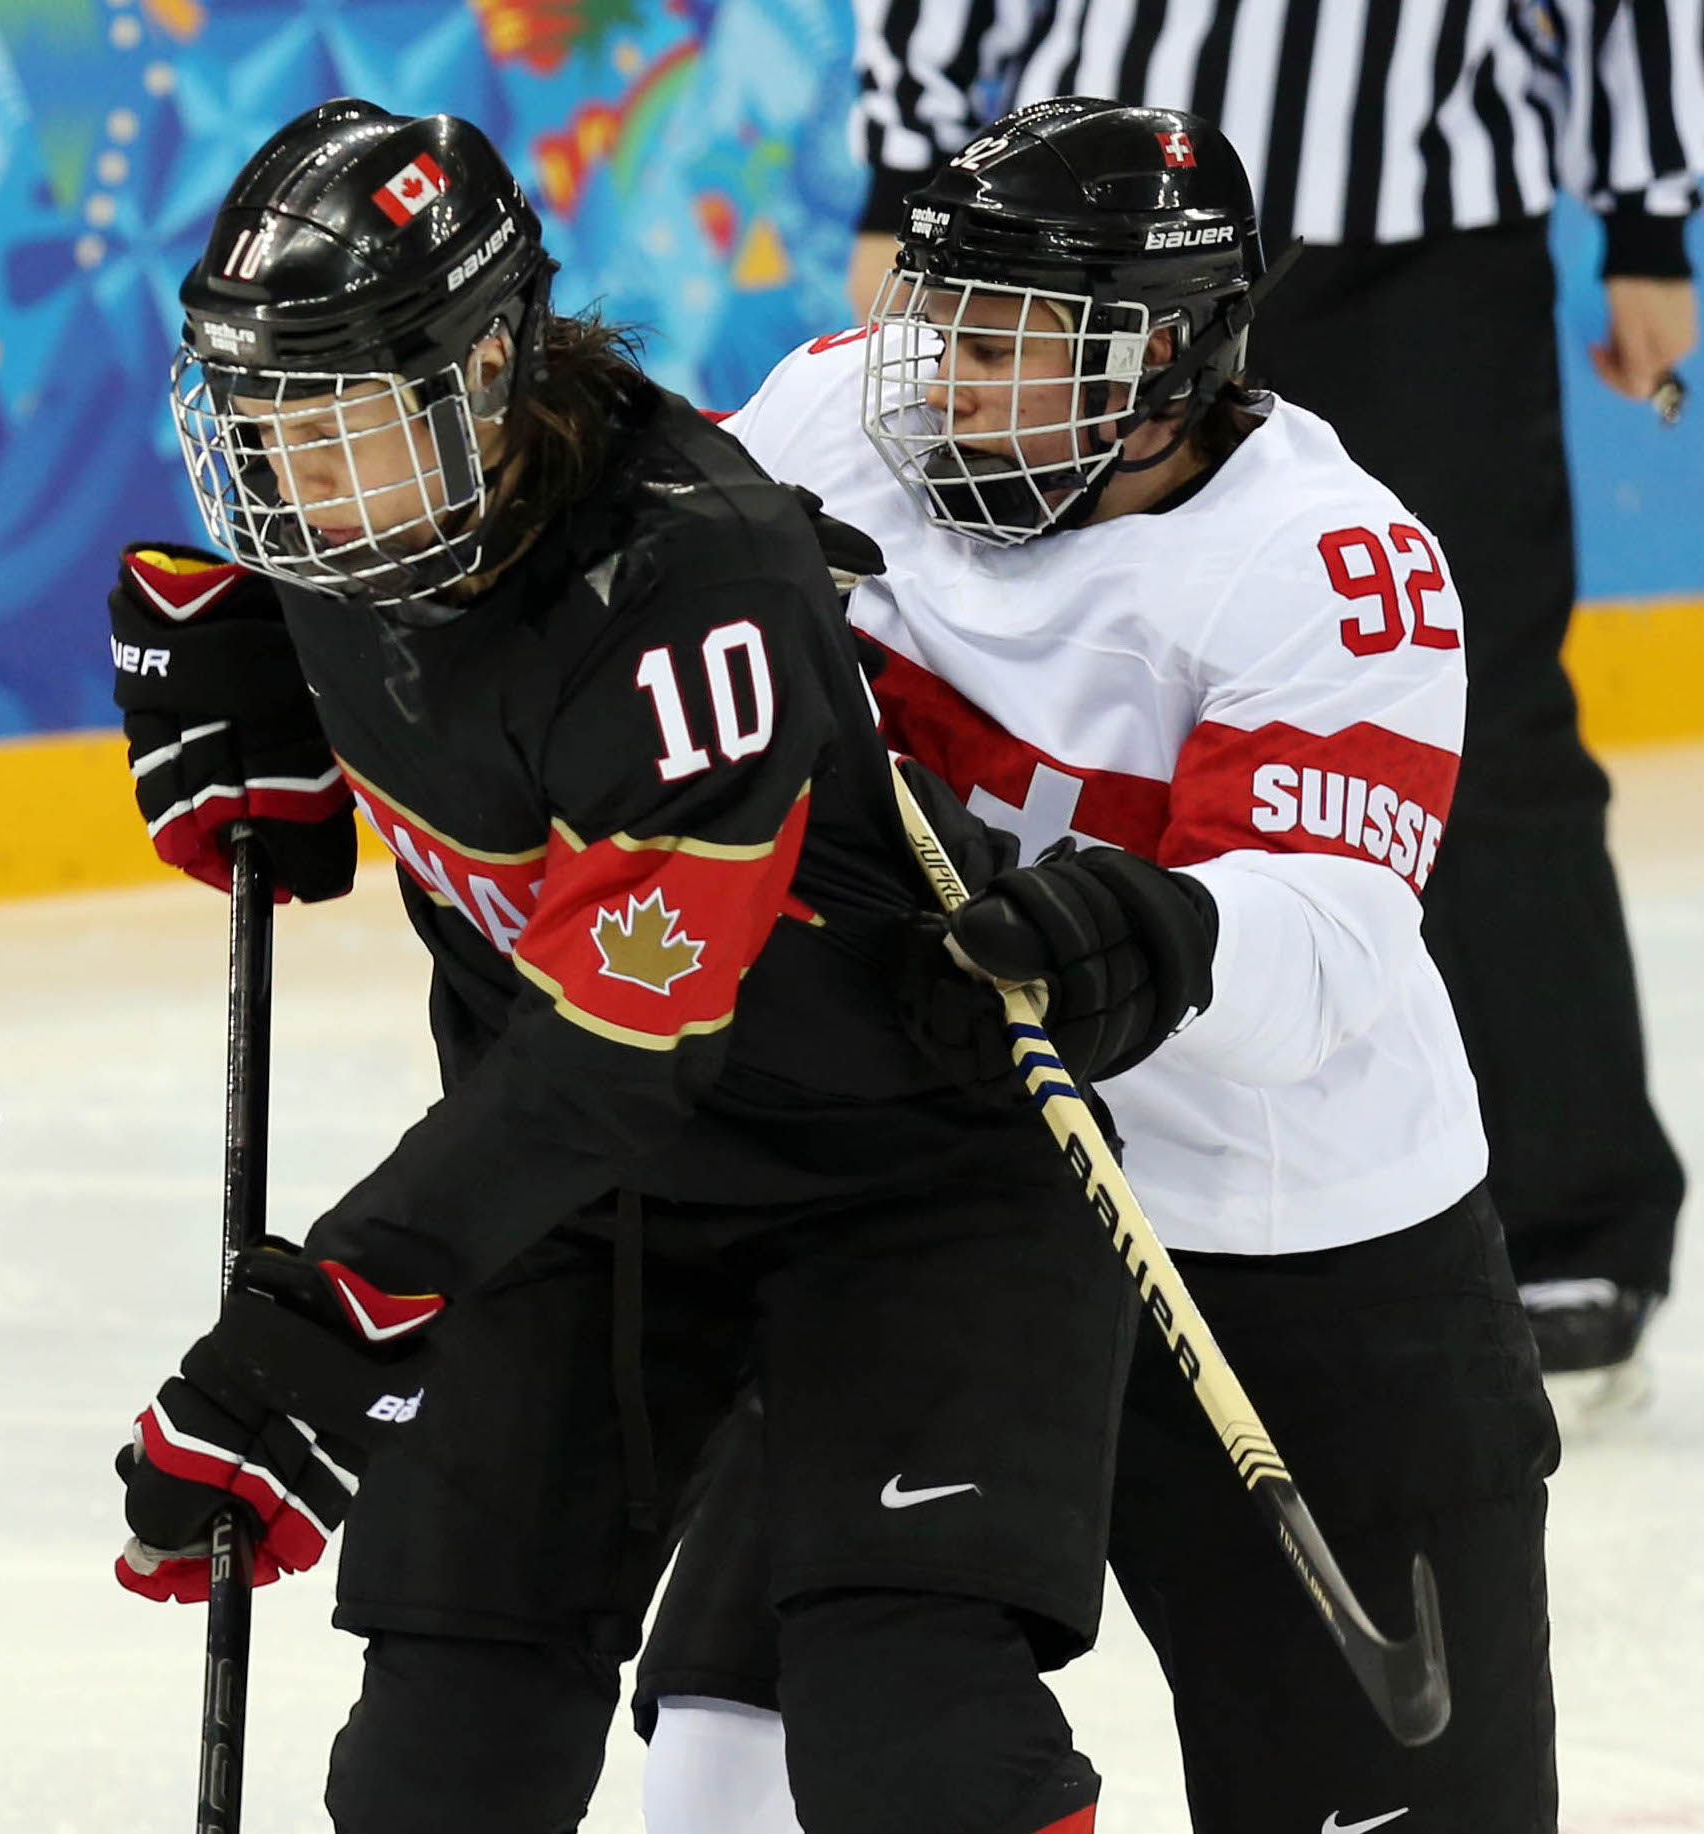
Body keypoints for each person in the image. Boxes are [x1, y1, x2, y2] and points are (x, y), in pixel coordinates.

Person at [94, 99, 1244, 1834]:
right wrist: (259, 693)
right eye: (260, 430)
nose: (287, 487)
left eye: (332, 431)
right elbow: (394, 671)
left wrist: (328, 1329)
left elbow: (610, 1054)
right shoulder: (356, 525)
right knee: (439, 1757)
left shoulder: (690, 591)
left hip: (898, 1184)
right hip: (582, 1212)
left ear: (482, 379)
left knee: (916, 1745)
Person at [637, 100, 1562, 1833]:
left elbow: (1330, 934)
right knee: (727, 1768)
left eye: (1015, 340)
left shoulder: (1330, 565)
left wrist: (1149, 926)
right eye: (942, 318)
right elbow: (607, 614)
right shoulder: (836, 417)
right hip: (940, 1212)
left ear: (1172, 364)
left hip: (1283, 1246)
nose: (944, 376)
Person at [841, 0, 1704, 1410]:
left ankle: (1572, 1219)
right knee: (1016, 677)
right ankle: (1038, 1161)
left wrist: (1647, 219)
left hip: (1421, 247)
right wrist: (907, 181)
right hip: (1079, 247)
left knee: (1476, 723)